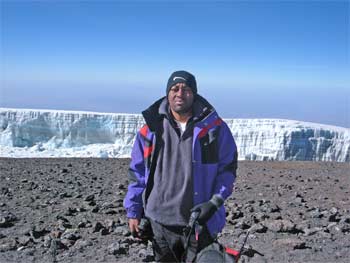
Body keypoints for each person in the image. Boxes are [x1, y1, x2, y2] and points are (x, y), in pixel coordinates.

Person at [123, 70, 238, 262]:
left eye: (186, 89)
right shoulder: (150, 130)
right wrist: (133, 211)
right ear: (167, 93)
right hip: (159, 223)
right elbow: (138, 173)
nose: (180, 94)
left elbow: (227, 170)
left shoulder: (215, 129)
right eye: (175, 89)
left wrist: (213, 203)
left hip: (199, 223)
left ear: (194, 94)